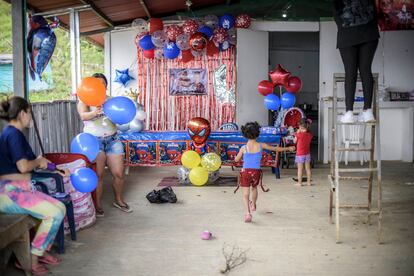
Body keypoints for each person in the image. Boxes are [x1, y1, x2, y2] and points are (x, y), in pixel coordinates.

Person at [0, 96, 66, 275]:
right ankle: (32, 260)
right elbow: (23, 167)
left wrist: (47, 165)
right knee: (56, 210)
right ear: (22, 113)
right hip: (8, 193)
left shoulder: (11, 133)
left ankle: (40, 250)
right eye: (29, 113)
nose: (30, 117)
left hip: (15, 191)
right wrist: (37, 162)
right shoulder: (13, 134)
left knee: (52, 210)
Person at [77, 73, 131, 216]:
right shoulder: (85, 101)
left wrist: (119, 117)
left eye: (103, 84)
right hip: (95, 142)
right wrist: (95, 112)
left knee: (119, 174)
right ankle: (98, 205)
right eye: (98, 84)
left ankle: (118, 200)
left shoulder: (111, 101)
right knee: (99, 175)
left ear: (106, 87)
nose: (101, 87)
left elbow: (119, 120)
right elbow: (83, 116)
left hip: (113, 140)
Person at [234, 122, 294, 223]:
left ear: (244, 135)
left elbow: (236, 160)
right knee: (254, 188)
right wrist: (288, 148)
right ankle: (253, 203)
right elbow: (275, 149)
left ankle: (248, 213)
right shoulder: (261, 145)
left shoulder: (243, 148)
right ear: (257, 134)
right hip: (256, 172)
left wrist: (238, 157)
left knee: (245, 194)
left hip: (245, 172)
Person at [333, 0, 380, 123]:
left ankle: (349, 113)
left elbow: (336, 13)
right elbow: (376, 11)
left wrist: (345, 26)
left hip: (347, 34)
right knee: (366, 70)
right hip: (369, 33)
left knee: (350, 72)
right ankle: (368, 112)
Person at [293, 119, 313, 186]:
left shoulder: (299, 134)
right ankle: (309, 182)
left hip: (300, 154)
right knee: (308, 168)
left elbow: (294, 141)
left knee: (300, 169)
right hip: (307, 154)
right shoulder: (310, 135)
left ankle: (299, 183)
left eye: (301, 128)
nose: (300, 129)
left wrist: (297, 133)